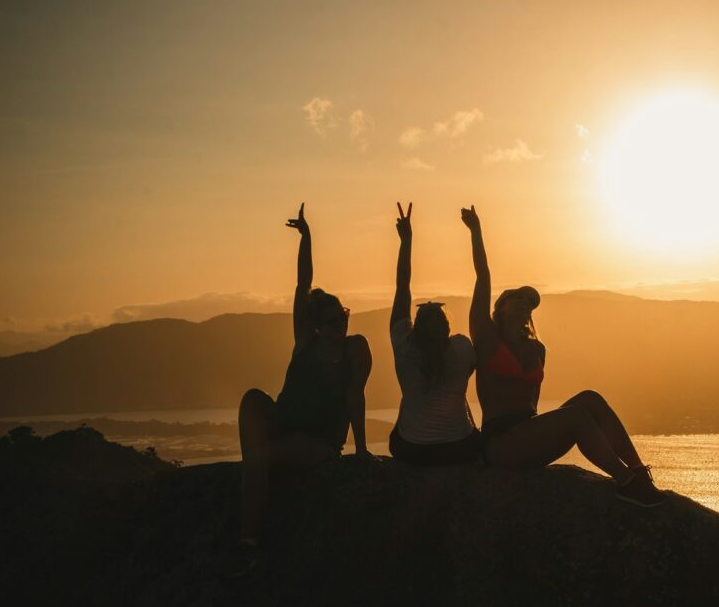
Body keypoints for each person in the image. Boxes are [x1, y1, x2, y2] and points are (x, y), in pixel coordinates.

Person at [460, 204, 665, 506]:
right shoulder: (487, 338)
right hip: (501, 444)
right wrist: (476, 231)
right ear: (499, 307)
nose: (524, 305)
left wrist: (543, 433)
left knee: (590, 399)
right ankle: (626, 483)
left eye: (528, 303)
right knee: (578, 416)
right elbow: (483, 276)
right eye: (516, 298)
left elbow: (530, 403)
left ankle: (637, 471)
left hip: (529, 435)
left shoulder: (536, 348)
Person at [236, 203, 373, 553]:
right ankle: (261, 472)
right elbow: (303, 284)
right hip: (284, 425)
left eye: (342, 318)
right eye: (332, 321)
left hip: (317, 440)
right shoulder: (305, 344)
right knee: (252, 398)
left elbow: (355, 398)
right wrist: (306, 238)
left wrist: (360, 451)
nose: (340, 326)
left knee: (257, 461)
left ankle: (249, 542)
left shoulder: (354, 350)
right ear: (315, 326)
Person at [388, 201, 483, 465]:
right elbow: (481, 281)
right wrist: (475, 232)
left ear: (415, 325)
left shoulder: (403, 344)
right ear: (447, 325)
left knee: (399, 431)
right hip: (459, 448)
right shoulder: (462, 348)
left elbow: (402, 287)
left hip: (411, 449)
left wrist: (406, 240)